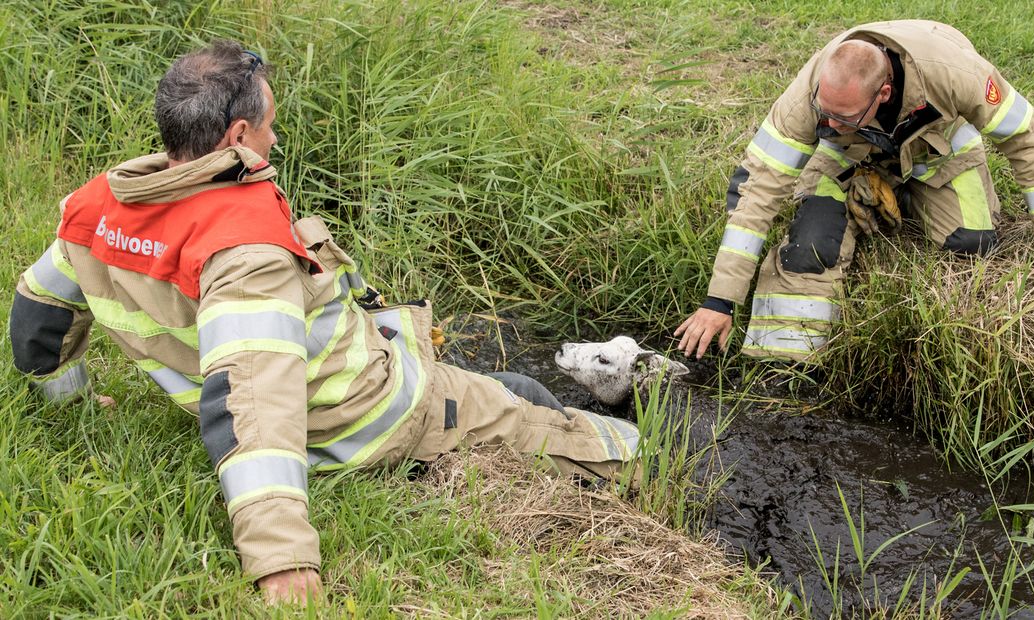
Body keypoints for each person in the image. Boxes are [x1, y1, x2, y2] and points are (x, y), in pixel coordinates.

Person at [9, 40, 640, 606]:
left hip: (343, 375)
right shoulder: (242, 250)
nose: (274, 141)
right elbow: (253, 399)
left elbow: (40, 314)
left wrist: (71, 399)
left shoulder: (95, 208)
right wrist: (280, 555)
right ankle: (650, 466)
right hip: (366, 418)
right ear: (235, 136)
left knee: (503, 381)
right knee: (537, 409)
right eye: (269, 127)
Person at [675, 20, 1034, 362]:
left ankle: (905, 192)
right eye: (825, 113)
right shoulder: (810, 100)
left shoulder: (956, 73)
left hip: (936, 153)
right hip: (848, 159)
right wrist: (719, 301)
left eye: (843, 116)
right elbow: (758, 193)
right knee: (811, 250)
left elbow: (1029, 141)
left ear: (884, 93)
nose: (828, 125)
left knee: (972, 243)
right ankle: (783, 366)